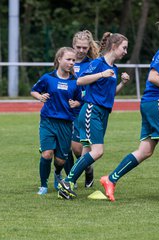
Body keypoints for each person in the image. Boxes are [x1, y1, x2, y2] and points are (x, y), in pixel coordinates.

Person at [100, 21, 159, 203]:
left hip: (152, 102)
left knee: (145, 150)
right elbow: (153, 77)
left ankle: (110, 178)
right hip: (157, 102)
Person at [57, 32, 130, 199]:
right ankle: (67, 182)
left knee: (87, 152)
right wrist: (101, 74)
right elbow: (80, 81)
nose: (125, 51)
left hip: (103, 112)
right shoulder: (98, 63)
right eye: (123, 48)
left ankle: (67, 184)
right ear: (114, 47)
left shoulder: (113, 68)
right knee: (97, 151)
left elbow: (110, 95)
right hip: (92, 110)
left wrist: (123, 84)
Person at [31, 47, 82, 195]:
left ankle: (58, 173)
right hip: (48, 121)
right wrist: (40, 97)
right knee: (47, 154)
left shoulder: (75, 82)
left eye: (73, 60)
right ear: (59, 59)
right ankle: (43, 185)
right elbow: (34, 90)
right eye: (68, 59)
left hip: (66, 124)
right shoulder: (48, 78)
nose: (71, 62)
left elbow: (81, 99)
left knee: (60, 160)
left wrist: (76, 103)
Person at [61, 30, 100, 189]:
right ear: (73, 45)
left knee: (77, 148)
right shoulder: (65, 61)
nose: (81, 50)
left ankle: (88, 168)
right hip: (63, 109)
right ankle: (71, 180)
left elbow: (95, 89)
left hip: (82, 109)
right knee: (64, 146)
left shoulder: (92, 64)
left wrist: (80, 102)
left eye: (85, 47)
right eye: (78, 47)